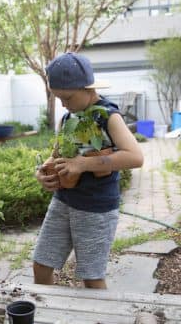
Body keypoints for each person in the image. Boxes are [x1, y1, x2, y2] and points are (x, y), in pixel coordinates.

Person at [34, 52, 144, 289]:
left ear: (88, 88)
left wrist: (82, 164)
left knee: (91, 277)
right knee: (41, 265)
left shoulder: (109, 117)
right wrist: (43, 171)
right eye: (58, 98)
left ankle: (100, 323)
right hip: (63, 201)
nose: (63, 104)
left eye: (68, 98)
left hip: (96, 208)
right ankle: (46, 319)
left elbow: (135, 157)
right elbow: (55, 155)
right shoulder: (68, 118)